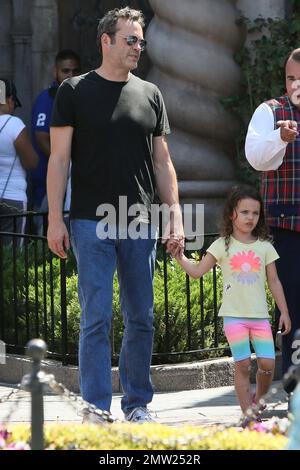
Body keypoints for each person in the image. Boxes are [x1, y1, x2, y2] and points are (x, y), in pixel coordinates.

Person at [47, 7, 184, 423]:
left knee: (141, 316)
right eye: (130, 40)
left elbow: (163, 164)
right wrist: (56, 218)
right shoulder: (72, 90)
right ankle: (94, 408)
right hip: (91, 220)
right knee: (97, 317)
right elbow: (58, 160)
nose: (138, 47)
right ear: (105, 41)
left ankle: (137, 403)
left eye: (141, 40)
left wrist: (175, 217)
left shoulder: (151, 93)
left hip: (140, 220)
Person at [175, 186, 291, 420]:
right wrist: (180, 256)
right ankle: (248, 413)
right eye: (245, 212)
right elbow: (197, 272)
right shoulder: (221, 245)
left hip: (260, 317)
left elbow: (275, 281)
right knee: (243, 365)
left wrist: (285, 312)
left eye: (255, 213)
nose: (250, 217)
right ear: (232, 214)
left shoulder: (265, 247)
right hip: (234, 317)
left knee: (268, 364)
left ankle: (258, 402)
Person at [245, 48, 300, 381]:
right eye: (291, 78)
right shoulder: (270, 112)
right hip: (286, 227)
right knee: (291, 308)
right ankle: (295, 391)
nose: (295, 84)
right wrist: (279, 138)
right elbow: (255, 158)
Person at [30, 50, 81, 230]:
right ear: (55, 72)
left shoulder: (82, 98)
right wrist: (64, 166)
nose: (70, 75)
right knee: (44, 237)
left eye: (75, 71)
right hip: (47, 183)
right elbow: (41, 137)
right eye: (65, 71)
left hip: (77, 186)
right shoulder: (47, 99)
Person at [0, 78, 38, 243]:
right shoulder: (14, 124)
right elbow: (31, 162)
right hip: (12, 198)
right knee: (13, 257)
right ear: (9, 100)